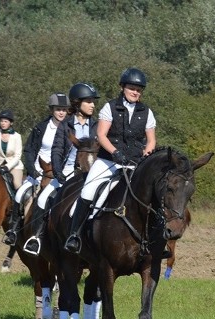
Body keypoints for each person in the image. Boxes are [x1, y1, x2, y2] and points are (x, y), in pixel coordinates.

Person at [64, 67, 157, 254]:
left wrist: (147, 154)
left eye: (139, 89)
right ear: (123, 87)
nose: (135, 92)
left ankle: (155, 240)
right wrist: (115, 153)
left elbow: (151, 140)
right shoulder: (110, 107)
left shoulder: (147, 112)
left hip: (135, 162)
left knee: (151, 196)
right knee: (89, 190)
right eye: (132, 88)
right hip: (108, 161)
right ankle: (74, 235)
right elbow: (101, 134)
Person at [2, 93, 70, 254]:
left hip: (62, 172)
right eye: (58, 109)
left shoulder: (69, 128)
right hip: (40, 171)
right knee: (19, 195)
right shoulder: (41, 128)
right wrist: (33, 171)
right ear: (52, 110)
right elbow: (30, 150)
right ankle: (13, 230)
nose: (61, 113)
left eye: (64, 110)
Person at [0, 109, 24, 189]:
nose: (3, 123)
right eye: (1, 121)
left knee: (17, 185)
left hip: (14, 166)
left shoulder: (17, 136)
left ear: (11, 123)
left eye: (5, 121)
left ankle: (21, 201)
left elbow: (17, 156)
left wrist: (7, 167)